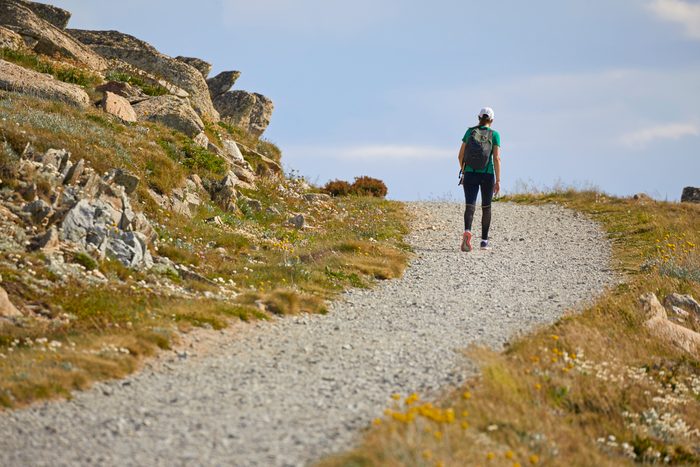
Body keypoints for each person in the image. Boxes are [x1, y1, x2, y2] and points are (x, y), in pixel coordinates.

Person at [458, 107, 501, 252]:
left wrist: (464, 171)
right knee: (486, 207)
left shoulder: (470, 132)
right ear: (492, 120)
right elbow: (496, 158)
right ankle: (483, 242)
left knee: (470, 205)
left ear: (478, 118)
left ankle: (467, 230)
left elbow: (460, 155)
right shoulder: (495, 135)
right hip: (487, 174)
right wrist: (498, 180)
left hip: (470, 173)